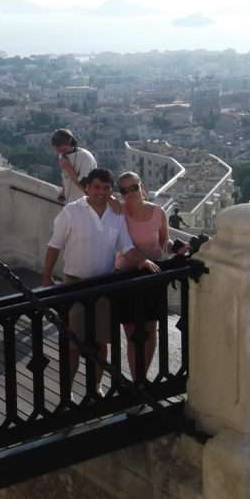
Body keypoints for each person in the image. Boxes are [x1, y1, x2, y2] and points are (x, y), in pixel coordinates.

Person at [41, 168, 160, 396]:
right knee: (74, 343)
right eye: (97, 187)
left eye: (107, 188)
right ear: (87, 187)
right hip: (75, 284)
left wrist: (142, 260)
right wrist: (46, 277)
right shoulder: (71, 212)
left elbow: (126, 246)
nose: (102, 192)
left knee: (100, 341)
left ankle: (94, 387)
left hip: (104, 286)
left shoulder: (116, 215)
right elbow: (54, 245)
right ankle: (66, 393)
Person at [115, 172, 172, 380]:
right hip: (127, 278)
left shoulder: (159, 212)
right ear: (120, 193)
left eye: (133, 187)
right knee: (132, 333)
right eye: (124, 190)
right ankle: (137, 380)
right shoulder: (119, 214)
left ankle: (140, 379)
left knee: (150, 330)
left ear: (142, 187)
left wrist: (180, 249)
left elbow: (165, 242)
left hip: (153, 277)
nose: (130, 193)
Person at [51, 128, 97, 203]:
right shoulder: (63, 155)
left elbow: (85, 188)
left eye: (61, 146)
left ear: (69, 143)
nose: (59, 150)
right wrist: (63, 191)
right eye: (57, 147)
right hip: (69, 203)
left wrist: (68, 168)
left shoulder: (85, 157)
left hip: (84, 204)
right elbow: (65, 176)